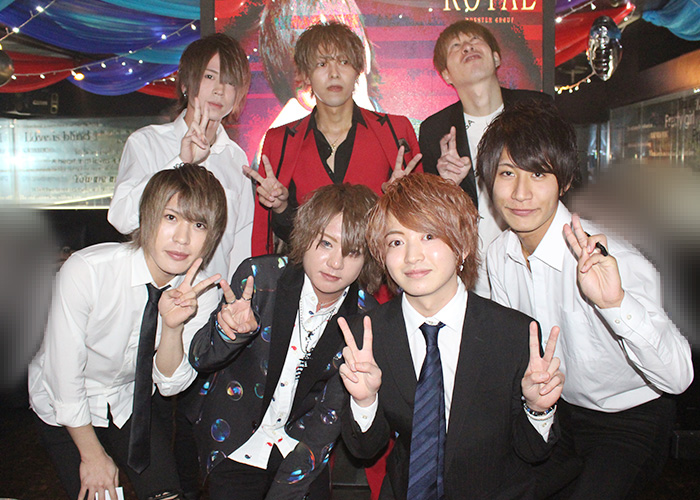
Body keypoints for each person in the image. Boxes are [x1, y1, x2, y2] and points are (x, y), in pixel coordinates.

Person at [479, 103, 694, 499]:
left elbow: (679, 377)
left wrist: (615, 303)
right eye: (507, 173)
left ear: (563, 183)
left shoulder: (610, 257)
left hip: (628, 420)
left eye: (538, 174)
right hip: (558, 415)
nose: (521, 193)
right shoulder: (499, 254)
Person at [338, 173, 564, 499]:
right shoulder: (370, 334)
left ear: (462, 246)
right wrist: (364, 401)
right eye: (396, 242)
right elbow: (364, 450)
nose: (412, 257)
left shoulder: (513, 334)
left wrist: (537, 409)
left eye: (429, 236)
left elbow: (533, 453)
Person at [28, 164, 227, 500]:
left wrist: (172, 327)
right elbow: (64, 373)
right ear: (147, 217)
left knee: (167, 494)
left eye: (198, 225)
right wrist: (93, 456)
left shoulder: (202, 292)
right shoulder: (88, 271)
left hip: (127, 399)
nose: (182, 238)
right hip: (64, 404)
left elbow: (170, 384)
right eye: (171, 218)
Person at [189, 183, 381, 500]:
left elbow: (328, 418)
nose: (335, 263)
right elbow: (200, 359)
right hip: (233, 441)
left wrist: (284, 492)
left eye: (352, 252)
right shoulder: (260, 278)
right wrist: (230, 334)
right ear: (305, 237)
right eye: (326, 243)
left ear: (367, 258)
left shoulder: (365, 318)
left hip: (301, 448)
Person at [247, 21, 421, 256]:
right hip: (310, 274)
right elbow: (277, 236)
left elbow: (420, 223)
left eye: (344, 62)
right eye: (321, 64)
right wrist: (280, 207)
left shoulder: (396, 131)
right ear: (305, 74)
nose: (334, 73)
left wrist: (403, 199)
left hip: (379, 274)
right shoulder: (280, 140)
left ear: (358, 69)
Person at [419, 20, 551, 297]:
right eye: (456, 46)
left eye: (475, 41)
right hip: (475, 272)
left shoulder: (539, 108)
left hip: (538, 259)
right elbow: (433, 218)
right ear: (446, 75)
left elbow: (566, 177)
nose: (467, 47)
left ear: (496, 58)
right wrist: (447, 184)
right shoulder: (435, 129)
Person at [109, 33, 254, 281]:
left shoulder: (235, 158)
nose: (219, 90)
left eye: (230, 82)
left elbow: (241, 240)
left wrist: (236, 294)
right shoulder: (147, 143)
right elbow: (121, 218)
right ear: (185, 84)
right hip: (154, 293)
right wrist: (181, 161)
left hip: (212, 296)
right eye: (209, 76)